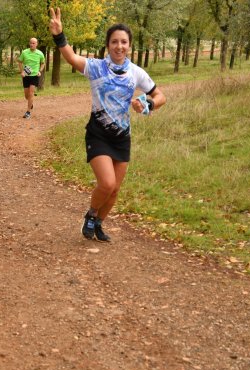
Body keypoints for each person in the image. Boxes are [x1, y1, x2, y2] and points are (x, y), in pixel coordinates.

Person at [49, 8, 166, 242]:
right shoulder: (96, 67)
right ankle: (91, 214)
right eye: (114, 42)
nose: (119, 46)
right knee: (107, 183)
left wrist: (148, 105)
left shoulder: (136, 73)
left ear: (130, 45)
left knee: (114, 191)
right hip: (98, 134)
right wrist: (59, 36)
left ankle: (99, 224)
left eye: (124, 42)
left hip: (122, 136)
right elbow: (71, 58)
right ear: (108, 45)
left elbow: (160, 96)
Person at [18, 37, 45, 119]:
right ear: (29, 43)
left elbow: (43, 63)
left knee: (31, 93)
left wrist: (40, 71)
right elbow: (20, 62)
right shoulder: (24, 52)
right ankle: (31, 102)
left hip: (34, 76)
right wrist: (22, 71)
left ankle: (28, 112)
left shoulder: (40, 53)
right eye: (31, 43)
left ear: (36, 44)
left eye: (34, 43)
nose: (32, 44)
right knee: (26, 95)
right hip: (26, 76)